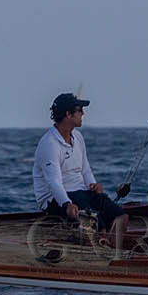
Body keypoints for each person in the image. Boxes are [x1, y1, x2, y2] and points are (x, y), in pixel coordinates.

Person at [32, 93, 127, 252]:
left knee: (121, 217)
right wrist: (67, 204)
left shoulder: (78, 136)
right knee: (97, 227)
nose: (83, 114)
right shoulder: (49, 144)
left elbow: (85, 169)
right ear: (68, 114)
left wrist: (93, 184)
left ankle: (111, 253)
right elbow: (54, 182)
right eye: (80, 110)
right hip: (56, 198)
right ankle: (100, 253)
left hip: (81, 192)